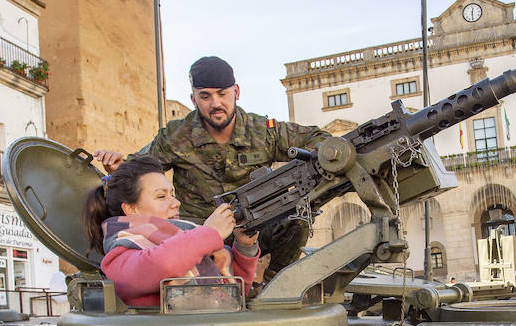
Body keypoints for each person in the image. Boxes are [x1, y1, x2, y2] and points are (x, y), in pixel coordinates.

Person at [95, 56, 333, 281]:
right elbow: (139, 170)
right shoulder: (176, 136)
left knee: (299, 213)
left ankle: (272, 284)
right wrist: (119, 166)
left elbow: (320, 140)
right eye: (206, 96)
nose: (216, 103)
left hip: (254, 229)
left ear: (236, 92)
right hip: (197, 236)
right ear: (193, 99)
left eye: (222, 94)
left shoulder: (264, 131)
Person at [82, 154, 259, 307]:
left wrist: (244, 247)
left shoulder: (185, 242)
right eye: (161, 196)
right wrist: (209, 232)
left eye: (172, 194)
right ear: (131, 209)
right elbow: (160, 264)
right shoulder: (120, 255)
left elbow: (233, 293)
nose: (176, 202)